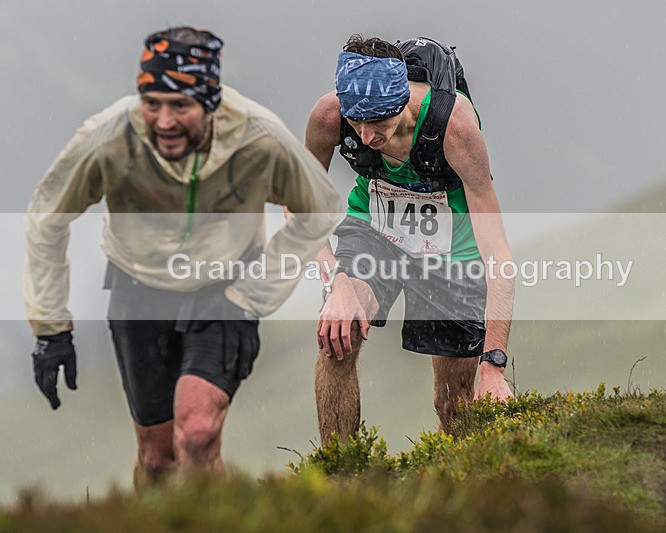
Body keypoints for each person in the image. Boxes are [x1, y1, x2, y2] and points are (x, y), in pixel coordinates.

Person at [24, 26, 340, 487]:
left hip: (225, 288)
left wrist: (254, 292)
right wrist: (51, 330)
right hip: (138, 286)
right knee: (156, 459)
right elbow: (44, 218)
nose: (164, 121)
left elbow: (319, 208)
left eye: (181, 106)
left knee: (196, 433)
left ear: (210, 103)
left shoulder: (256, 138)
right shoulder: (110, 138)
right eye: (152, 104)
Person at [305, 35, 515, 444]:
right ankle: (341, 477)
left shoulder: (454, 129)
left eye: (378, 122)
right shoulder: (329, 115)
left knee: (454, 403)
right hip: (374, 230)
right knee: (338, 337)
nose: (365, 137)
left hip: (454, 246)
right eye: (356, 120)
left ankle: (458, 488)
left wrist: (493, 366)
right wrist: (336, 284)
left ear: (402, 101)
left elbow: (499, 255)